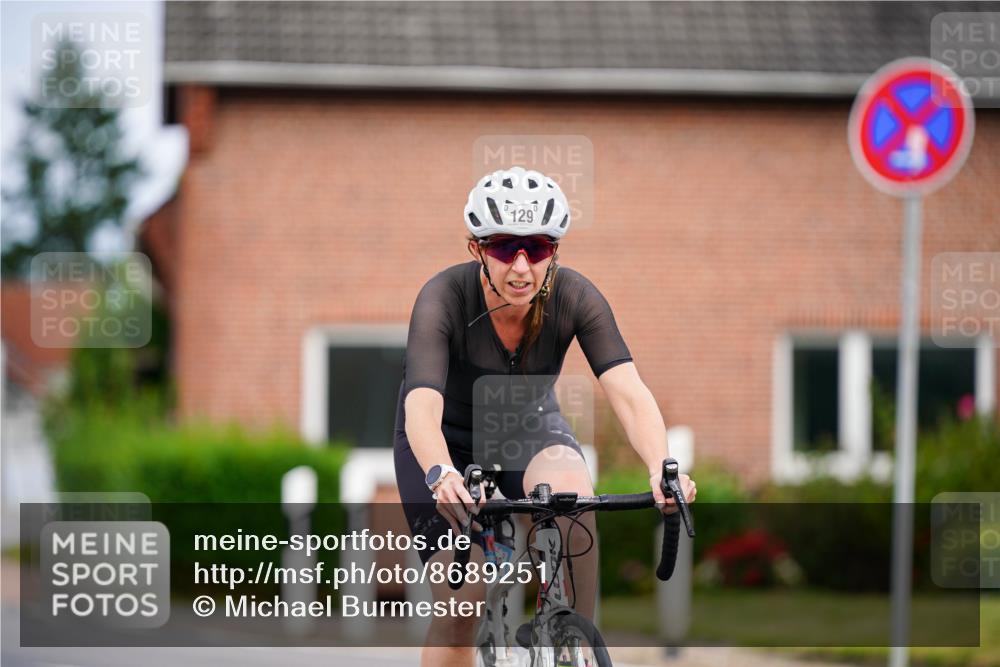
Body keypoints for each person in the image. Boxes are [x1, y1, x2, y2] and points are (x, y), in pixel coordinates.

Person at [393, 166, 696, 667]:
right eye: (503, 247)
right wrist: (441, 472)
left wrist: (662, 466)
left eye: (536, 248)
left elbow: (628, 391)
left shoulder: (575, 297)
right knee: (463, 601)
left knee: (572, 501)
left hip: (527, 427)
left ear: (554, 251)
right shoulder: (442, 297)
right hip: (443, 443)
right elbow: (421, 406)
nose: (520, 266)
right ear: (476, 248)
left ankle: (570, 640)